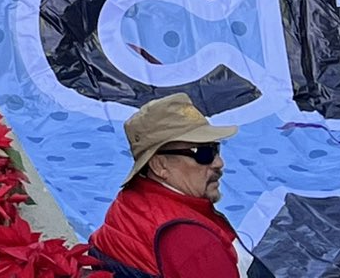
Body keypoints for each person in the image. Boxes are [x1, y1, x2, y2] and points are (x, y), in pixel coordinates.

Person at [88, 94, 246, 278]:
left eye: (215, 149)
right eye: (203, 153)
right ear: (159, 165)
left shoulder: (128, 204)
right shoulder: (194, 242)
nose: (219, 162)